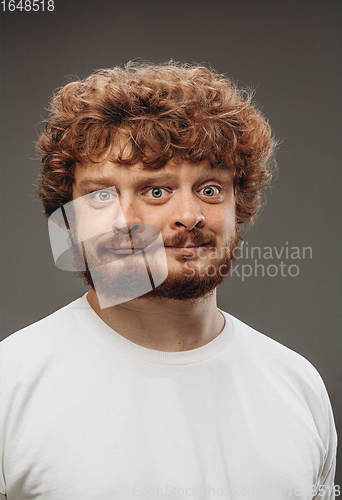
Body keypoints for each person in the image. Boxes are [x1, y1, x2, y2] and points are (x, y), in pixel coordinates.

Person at [0, 62, 337, 500]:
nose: (189, 216)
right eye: (156, 191)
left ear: (240, 204)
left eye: (210, 190)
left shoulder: (298, 386)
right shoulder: (11, 382)